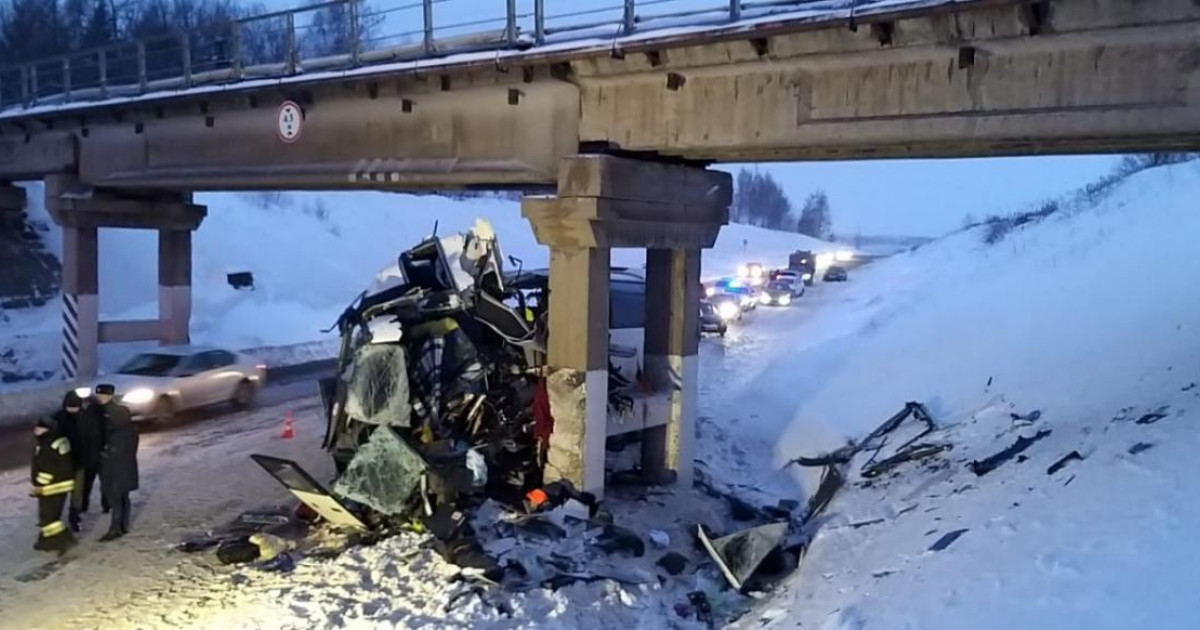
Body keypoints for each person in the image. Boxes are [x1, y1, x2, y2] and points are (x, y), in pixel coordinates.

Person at [95, 384, 139, 541]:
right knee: (121, 494)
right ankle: (122, 526)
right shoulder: (123, 419)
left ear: (110, 396)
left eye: (103, 395)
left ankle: (116, 528)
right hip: (118, 461)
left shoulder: (111, 416)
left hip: (113, 462)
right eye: (99, 395)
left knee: (115, 494)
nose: (100, 398)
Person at [30, 416, 78, 554]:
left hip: (52, 487)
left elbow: (48, 467)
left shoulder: (47, 444)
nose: (36, 430)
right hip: (57, 485)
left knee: (48, 519)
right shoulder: (55, 441)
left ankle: (67, 542)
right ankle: (47, 541)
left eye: (39, 428)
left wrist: (39, 484)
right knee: (48, 517)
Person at [55, 391, 101, 531]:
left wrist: (91, 457)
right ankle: (56, 517)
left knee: (77, 493)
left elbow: (93, 438)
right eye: (70, 408)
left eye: (75, 408)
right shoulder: (57, 419)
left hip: (79, 462)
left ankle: (74, 517)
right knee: (61, 493)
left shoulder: (85, 418)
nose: (73, 411)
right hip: (63, 464)